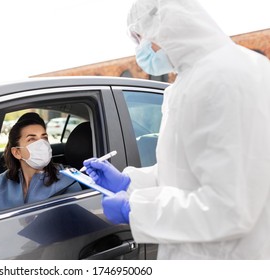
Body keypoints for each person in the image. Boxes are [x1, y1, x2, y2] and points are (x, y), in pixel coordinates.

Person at [84, 0, 270, 259]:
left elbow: (230, 208)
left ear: (165, 26)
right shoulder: (192, 80)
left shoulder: (226, 76)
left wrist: (135, 210)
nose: (141, 51)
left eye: (141, 38)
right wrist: (130, 182)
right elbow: (186, 172)